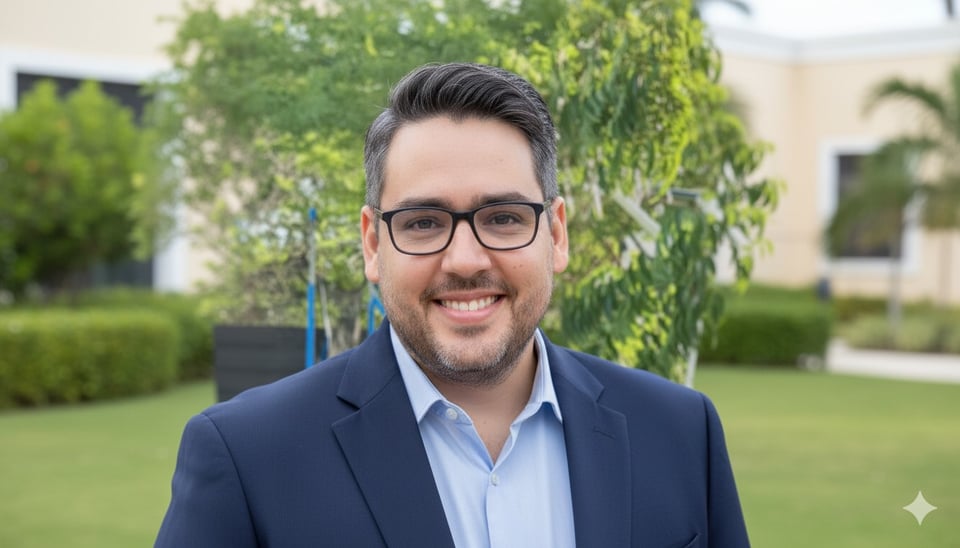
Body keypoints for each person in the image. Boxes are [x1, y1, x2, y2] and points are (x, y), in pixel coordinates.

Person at [155, 62, 750, 548]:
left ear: (557, 234)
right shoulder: (248, 457)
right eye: (422, 222)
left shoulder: (680, 433)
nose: (465, 260)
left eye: (503, 218)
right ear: (371, 244)